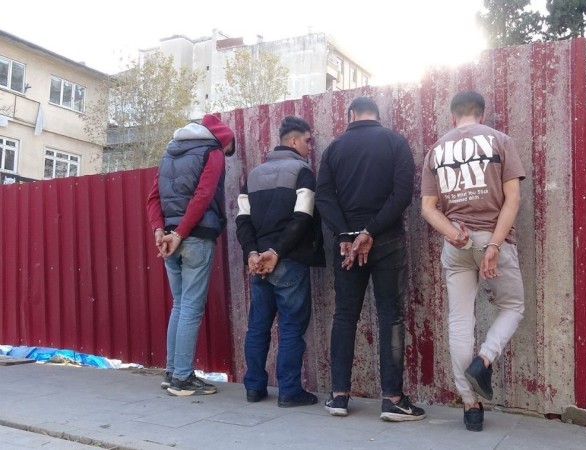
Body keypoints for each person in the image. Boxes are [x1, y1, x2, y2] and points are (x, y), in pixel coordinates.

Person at [420, 91, 526, 432]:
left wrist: (454, 234)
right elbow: (512, 200)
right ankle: (484, 360)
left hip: (457, 244)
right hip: (493, 240)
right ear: (481, 115)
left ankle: (470, 406)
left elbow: (428, 208)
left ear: (453, 117)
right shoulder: (500, 141)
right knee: (512, 307)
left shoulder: (436, 150)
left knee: (460, 320)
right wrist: (494, 244)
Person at [315, 96, 425, 422]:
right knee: (390, 317)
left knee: (344, 316)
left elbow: (324, 197)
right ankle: (392, 400)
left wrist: (345, 235)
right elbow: (402, 194)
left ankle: (338, 397)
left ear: (351, 115)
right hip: (386, 238)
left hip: (347, 246)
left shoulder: (333, 149)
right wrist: (371, 231)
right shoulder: (395, 142)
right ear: (377, 115)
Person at [235, 116, 325, 408]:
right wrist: (277, 252)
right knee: (290, 329)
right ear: (294, 141)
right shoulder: (303, 172)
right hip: (288, 260)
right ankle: (289, 391)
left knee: (257, 327)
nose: (310, 147)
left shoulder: (254, 175)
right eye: (308, 141)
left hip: (259, 264)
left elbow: (242, 221)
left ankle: (254, 388)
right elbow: (303, 218)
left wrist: (253, 253)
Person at [146, 114, 236, 396]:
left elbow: (153, 197)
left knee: (180, 305)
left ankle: (173, 371)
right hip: (194, 236)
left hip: (169, 238)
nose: (227, 153)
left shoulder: (169, 153)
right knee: (191, 308)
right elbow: (204, 194)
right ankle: (182, 379)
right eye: (229, 147)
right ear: (223, 139)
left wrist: (160, 230)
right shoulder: (213, 152)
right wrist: (181, 232)